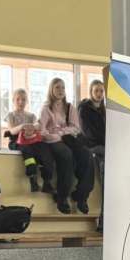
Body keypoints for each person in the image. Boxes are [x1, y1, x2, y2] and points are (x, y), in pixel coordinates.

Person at [39, 77, 94, 215]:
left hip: (68, 138)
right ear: (51, 90)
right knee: (66, 155)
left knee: (87, 155)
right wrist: (54, 135)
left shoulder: (70, 108)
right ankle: (62, 197)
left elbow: (76, 128)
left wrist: (62, 132)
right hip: (53, 141)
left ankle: (81, 196)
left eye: (63, 87)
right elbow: (42, 131)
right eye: (57, 87)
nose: (61, 90)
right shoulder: (46, 108)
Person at [5, 88, 53, 194]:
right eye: (18, 99)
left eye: (23, 99)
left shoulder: (31, 116)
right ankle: (32, 178)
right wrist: (22, 126)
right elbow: (12, 130)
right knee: (27, 150)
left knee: (44, 148)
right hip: (17, 141)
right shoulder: (11, 115)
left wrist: (32, 127)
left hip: (32, 139)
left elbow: (38, 125)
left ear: (27, 101)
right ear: (13, 100)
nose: (21, 102)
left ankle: (47, 181)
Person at [78, 78, 106, 232]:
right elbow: (88, 133)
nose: (99, 94)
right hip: (93, 147)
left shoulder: (105, 110)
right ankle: (103, 222)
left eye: (101, 91)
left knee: (109, 184)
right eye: (96, 91)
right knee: (105, 175)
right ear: (91, 92)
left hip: (105, 147)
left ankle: (104, 221)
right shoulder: (84, 109)